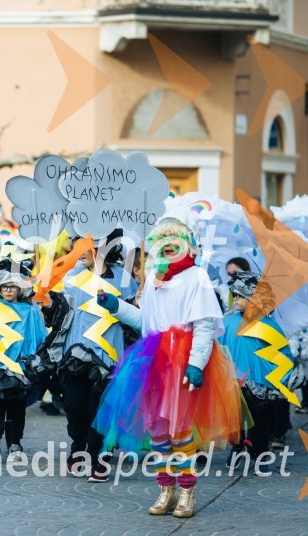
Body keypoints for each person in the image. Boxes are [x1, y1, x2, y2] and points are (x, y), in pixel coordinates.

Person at [94, 213, 242, 519]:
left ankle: (187, 489)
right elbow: (146, 321)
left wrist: (196, 364)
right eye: (161, 239)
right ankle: (166, 488)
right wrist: (116, 306)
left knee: (181, 431)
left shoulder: (196, 277)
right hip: (153, 361)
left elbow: (203, 325)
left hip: (183, 362)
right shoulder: (153, 279)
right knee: (157, 431)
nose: (168, 244)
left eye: (175, 239)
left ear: (188, 244)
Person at [59, 231, 138, 482]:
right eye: (76, 246)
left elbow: (134, 316)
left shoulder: (124, 279)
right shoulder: (71, 276)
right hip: (75, 350)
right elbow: (60, 312)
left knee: (100, 408)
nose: (78, 251)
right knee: (75, 406)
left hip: (108, 353)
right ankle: (78, 444)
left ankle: (97, 456)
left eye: (84, 246)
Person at [0, 259, 46, 462]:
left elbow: (37, 337)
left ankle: (15, 444)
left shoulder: (30, 310)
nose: (8, 290)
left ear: (19, 288)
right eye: (5, 286)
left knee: (17, 408)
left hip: (20, 366)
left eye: (12, 286)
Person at [221, 271, 296, 469]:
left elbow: (282, 352)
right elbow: (218, 347)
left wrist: (287, 376)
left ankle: (261, 452)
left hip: (261, 383)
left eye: (240, 296)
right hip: (233, 380)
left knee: (260, 419)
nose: (235, 300)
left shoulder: (269, 324)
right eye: (234, 295)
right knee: (235, 417)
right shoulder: (227, 322)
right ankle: (237, 447)